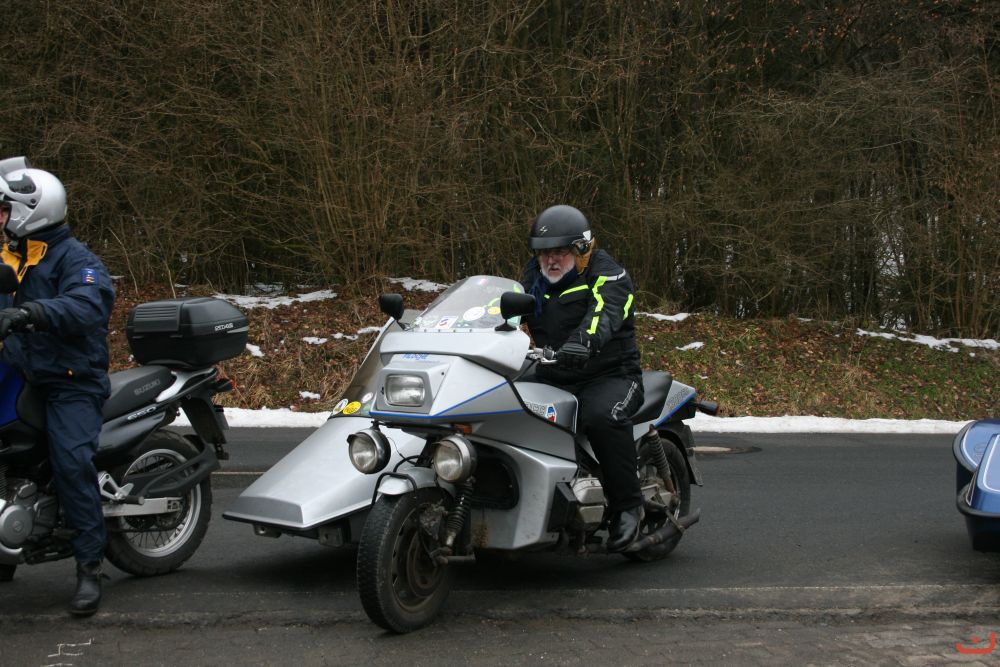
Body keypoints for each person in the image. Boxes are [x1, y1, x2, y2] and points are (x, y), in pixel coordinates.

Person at [0, 158, 115, 615]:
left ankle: (89, 567)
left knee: (71, 462)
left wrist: (32, 312)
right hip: (22, 373)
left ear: (32, 210)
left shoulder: (76, 260)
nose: (0, 218)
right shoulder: (12, 258)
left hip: (70, 381)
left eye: (4, 209)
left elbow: (88, 304)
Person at [519, 204, 645, 552]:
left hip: (610, 373)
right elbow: (503, 309)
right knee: (507, 407)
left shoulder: (609, 275)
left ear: (582, 250)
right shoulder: (533, 276)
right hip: (553, 372)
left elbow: (605, 312)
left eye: (559, 252)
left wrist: (584, 342)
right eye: (544, 252)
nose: (550, 260)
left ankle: (628, 507)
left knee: (603, 417)